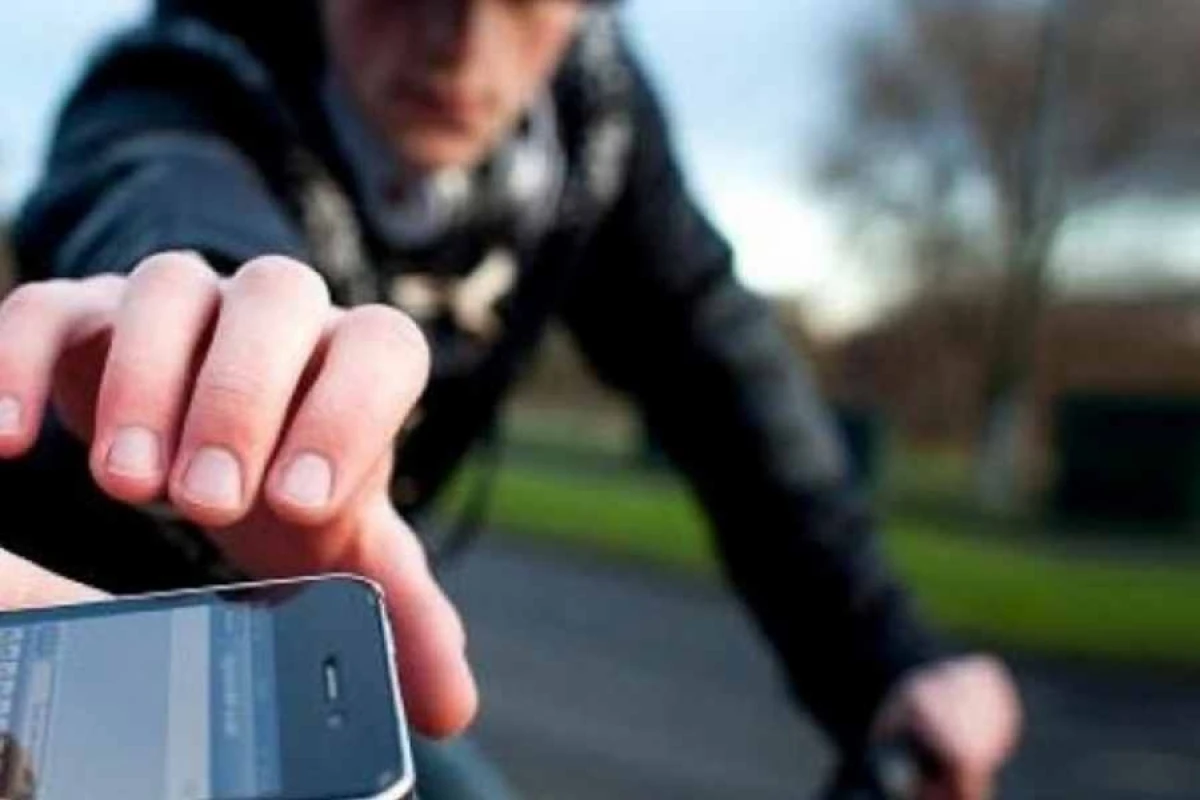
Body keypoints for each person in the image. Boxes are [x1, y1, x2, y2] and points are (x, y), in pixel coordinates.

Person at [0, 0, 1021, 798]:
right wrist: (214, 307)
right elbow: (158, 183)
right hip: (73, 618)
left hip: (310, 642)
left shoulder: (598, 126)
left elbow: (725, 380)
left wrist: (890, 660)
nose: (459, 46)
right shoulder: (183, 68)